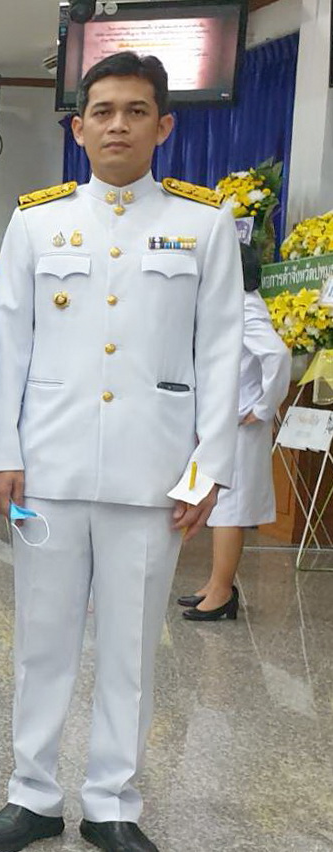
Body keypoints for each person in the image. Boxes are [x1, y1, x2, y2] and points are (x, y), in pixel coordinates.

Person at [0, 52, 242, 852]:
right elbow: (8, 346)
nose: (117, 124)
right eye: (102, 111)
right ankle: (31, 793)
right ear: (78, 126)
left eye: (134, 111)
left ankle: (114, 804)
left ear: (162, 126)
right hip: (46, 468)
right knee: (41, 640)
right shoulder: (38, 219)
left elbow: (223, 349)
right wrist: (0, 453)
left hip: (152, 472)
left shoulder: (203, 223)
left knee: (131, 646)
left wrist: (208, 466)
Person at [179, 242, 291, 621]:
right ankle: (215, 583)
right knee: (221, 507)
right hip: (229, 420)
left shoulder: (245, 304)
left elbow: (276, 355)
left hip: (242, 423)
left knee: (229, 509)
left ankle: (223, 591)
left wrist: (262, 408)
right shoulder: (238, 302)